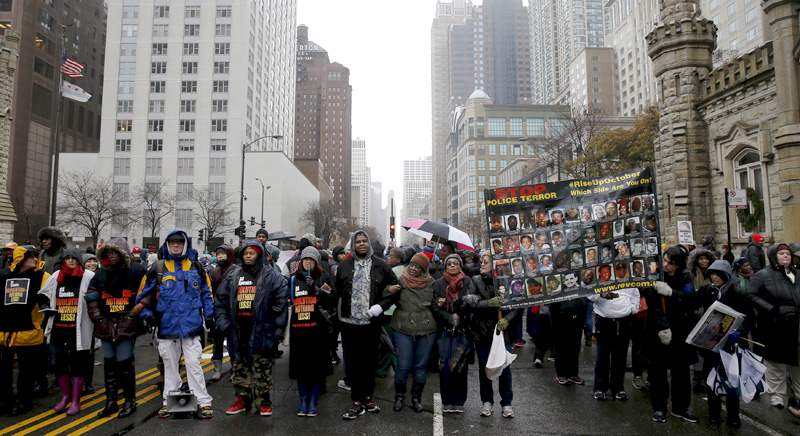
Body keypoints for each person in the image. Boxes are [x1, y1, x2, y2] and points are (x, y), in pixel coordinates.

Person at [135, 231, 215, 419]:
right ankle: (168, 400)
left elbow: (207, 293)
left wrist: (210, 316)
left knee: (194, 364)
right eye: (173, 242)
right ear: (167, 245)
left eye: (180, 242)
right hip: (167, 326)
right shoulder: (158, 268)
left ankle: (203, 402)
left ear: (186, 244)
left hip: (192, 326)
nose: (176, 245)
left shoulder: (196, 267)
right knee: (170, 367)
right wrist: (148, 316)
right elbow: (142, 295)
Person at [216, 240, 288, 417]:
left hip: (262, 330)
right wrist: (224, 325)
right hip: (238, 331)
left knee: (262, 368)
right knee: (239, 367)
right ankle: (242, 400)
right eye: (245, 253)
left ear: (260, 255)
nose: (248, 255)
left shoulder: (272, 276)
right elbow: (220, 302)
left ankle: (263, 402)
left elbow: (281, 301)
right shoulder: (233, 276)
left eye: (252, 253)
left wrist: (277, 328)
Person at [335, 231, 399, 419]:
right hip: (349, 323)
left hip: (370, 324)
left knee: (369, 362)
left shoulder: (381, 265)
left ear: (369, 244)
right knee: (353, 363)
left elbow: (395, 289)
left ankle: (369, 397)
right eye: (358, 242)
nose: (361, 244)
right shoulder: (344, 265)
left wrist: (380, 306)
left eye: (364, 241)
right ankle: (356, 401)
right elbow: (338, 290)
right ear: (353, 245)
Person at [84, 237, 148, 419]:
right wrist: (98, 318)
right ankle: (111, 401)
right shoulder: (101, 273)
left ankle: (129, 401)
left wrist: (140, 306)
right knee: (109, 363)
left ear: (122, 253)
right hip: (106, 323)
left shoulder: (137, 270)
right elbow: (91, 296)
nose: (111, 257)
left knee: (125, 362)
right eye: (108, 253)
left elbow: (148, 291)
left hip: (127, 323)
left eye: (114, 253)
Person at [696, 260, 753, 427]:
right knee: (712, 379)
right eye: (711, 274)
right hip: (711, 344)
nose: (714, 277)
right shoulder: (706, 291)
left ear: (726, 275)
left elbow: (749, 317)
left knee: (732, 381)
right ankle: (714, 414)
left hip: (731, 346)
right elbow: (695, 308)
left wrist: (739, 331)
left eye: (717, 274)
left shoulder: (739, 293)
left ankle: (733, 416)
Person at [38, 249, 95, 416]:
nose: (70, 261)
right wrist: (44, 307)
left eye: (73, 258)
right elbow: (42, 295)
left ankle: (76, 401)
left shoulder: (87, 276)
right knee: (59, 362)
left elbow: (97, 295)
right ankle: (65, 396)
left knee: (78, 363)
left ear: (79, 260)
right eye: (67, 258)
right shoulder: (56, 276)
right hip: (58, 327)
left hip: (78, 328)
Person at [745, 243, 800, 411]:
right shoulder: (763, 275)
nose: (786, 256)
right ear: (773, 256)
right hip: (775, 325)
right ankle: (778, 395)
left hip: (797, 325)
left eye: (788, 254)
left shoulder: (798, 274)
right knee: (776, 361)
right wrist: (771, 309)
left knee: (798, 362)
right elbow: (750, 293)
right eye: (782, 253)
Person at [647, 246, 699, 423]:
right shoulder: (655, 276)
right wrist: (662, 326)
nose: (666, 264)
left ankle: (681, 407)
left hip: (680, 330)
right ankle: (659, 407)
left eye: (671, 262)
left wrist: (671, 293)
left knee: (681, 372)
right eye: (665, 260)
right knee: (658, 372)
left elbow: (690, 301)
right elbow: (653, 305)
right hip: (659, 330)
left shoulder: (685, 277)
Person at [469, 251, 521, 418]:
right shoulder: (475, 280)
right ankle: (487, 401)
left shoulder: (508, 281)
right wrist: (489, 303)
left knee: (504, 368)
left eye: (486, 262)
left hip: (502, 332)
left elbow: (517, 305)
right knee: (485, 367)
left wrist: (507, 319)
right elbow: (470, 302)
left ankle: (507, 403)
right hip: (482, 332)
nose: (482, 264)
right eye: (482, 261)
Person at [0, 246, 51, 415]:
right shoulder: (4, 275)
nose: (35, 260)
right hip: (5, 333)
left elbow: (49, 296)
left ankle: (24, 402)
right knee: (4, 372)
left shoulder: (42, 277)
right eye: (31, 257)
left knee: (26, 372)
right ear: (20, 258)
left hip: (29, 332)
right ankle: (5, 402)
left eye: (36, 257)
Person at [289, 247, 337, 417]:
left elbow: (334, 299)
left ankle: (313, 401)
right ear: (300, 261)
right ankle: (303, 400)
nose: (307, 262)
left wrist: (318, 291)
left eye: (311, 259)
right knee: (300, 368)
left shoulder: (323, 277)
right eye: (305, 259)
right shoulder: (294, 279)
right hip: (299, 330)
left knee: (316, 368)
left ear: (316, 262)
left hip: (318, 330)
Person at [386, 252, 436, 413]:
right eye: (412, 265)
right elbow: (384, 295)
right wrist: (389, 290)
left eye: (418, 266)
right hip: (402, 328)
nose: (413, 268)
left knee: (421, 366)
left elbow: (437, 304)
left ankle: (416, 398)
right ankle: (399, 397)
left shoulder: (432, 283)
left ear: (424, 269)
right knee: (403, 365)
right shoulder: (400, 281)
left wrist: (441, 302)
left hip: (426, 329)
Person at [432, 254, 476, 413]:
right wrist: (447, 315)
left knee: (460, 367)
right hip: (445, 331)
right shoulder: (438, 283)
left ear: (460, 266)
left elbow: (473, 303)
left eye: (455, 263)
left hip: (462, 330)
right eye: (449, 263)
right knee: (445, 367)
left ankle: (459, 401)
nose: (452, 266)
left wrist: (461, 311)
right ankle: (447, 401)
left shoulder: (468, 282)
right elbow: (434, 307)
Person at [588, 288, 639, 401]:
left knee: (620, 357)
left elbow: (635, 296)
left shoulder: (629, 281)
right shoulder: (603, 277)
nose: (620, 269)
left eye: (622, 268)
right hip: (604, 320)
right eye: (618, 268)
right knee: (603, 356)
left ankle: (618, 388)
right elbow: (589, 294)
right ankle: (600, 388)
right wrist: (600, 294)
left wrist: (631, 309)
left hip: (623, 322)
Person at [207, 244, 240, 381]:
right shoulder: (213, 271)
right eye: (218, 254)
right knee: (217, 340)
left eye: (223, 254)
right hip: (217, 309)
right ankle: (217, 369)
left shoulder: (237, 270)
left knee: (233, 341)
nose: (220, 256)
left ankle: (234, 368)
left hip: (232, 310)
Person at [551, 295, 588, 386]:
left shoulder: (578, 283)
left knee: (575, 345)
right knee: (561, 345)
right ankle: (561, 374)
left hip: (577, 314)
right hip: (560, 314)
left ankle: (573, 373)